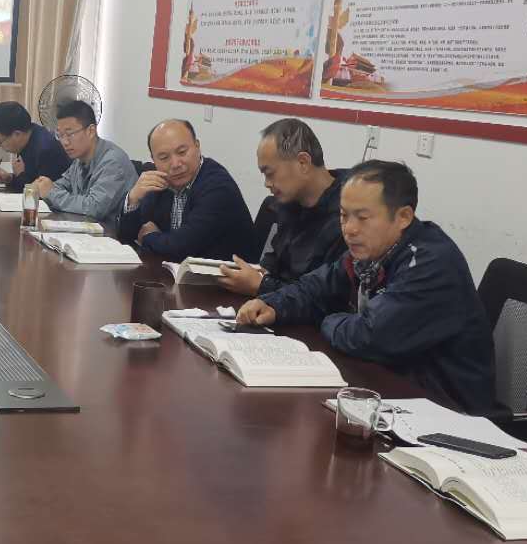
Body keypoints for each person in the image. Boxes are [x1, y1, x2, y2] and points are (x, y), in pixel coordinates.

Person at [236, 160, 497, 415]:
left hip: (449, 410)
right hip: (391, 392)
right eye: (343, 215)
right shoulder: (371, 251)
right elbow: (316, 286)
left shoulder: (431, 263)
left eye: (362, 217)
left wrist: (326, 318)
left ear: (403, 217)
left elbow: (368, 336)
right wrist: (274, 304)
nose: (349, 229)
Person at [219, 118, 349, 296]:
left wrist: (261, 286)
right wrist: (258, 275)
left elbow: (323, 297)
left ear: (303, 162)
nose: (267, 183)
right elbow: (273, 265)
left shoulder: (347, 215)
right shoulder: (290, 203)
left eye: (270, 173)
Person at [118, 118, 254, 261]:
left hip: (222, 273)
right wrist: (133, 198)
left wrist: (148, 236)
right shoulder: (159, 181)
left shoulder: (218, 186)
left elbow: (182, 248)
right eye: (164, 157)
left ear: (197, 146)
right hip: (174, 271)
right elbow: (126, 237)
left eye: (182, 152)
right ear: (154, 159)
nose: (175, 164)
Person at [30, 100, 136, 226]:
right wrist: (44, 186)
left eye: (69, 134)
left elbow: (94, 208)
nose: (64, 142)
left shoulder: (112, 162)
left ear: (91, 131)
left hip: (111, 233)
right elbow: (61, 185)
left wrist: (51, 193)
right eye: (60, 135)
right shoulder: (79, 159)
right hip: (85, 228)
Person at [0, 100, 69, 192]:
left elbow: (43, 192)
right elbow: (31, 180)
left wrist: (20, 176)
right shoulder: (29, 136)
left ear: (17, 134)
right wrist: (9, 178)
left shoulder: (46, 150)